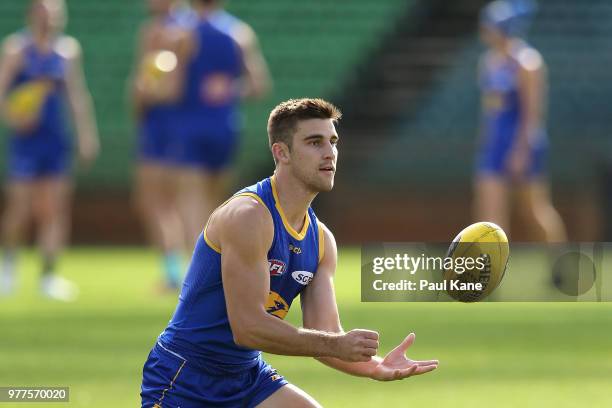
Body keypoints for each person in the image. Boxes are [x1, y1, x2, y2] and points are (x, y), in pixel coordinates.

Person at [141, 98, 438, 407]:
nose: (329, 153)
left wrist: (376, 366)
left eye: (333, 142)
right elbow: (249, 328)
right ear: (281, 152)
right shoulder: (249, 216)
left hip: (246, 376)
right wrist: (336, 343)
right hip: (187, 377)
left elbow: (326, 334)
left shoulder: (322, 240)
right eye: (314, 142)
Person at [0, 0, 99, 301]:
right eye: (46, 12)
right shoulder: (17, 49)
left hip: (56, 140)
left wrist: (86, 135)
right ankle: (7, 269)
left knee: (54, 208)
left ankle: (48, 275)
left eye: (56, 13)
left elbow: (76, 96)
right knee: (20, 207)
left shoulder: (67, 50)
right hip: (26, 141)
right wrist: (15, 116)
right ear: (33, 15)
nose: (51, 19)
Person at [172, 0, 272, 252]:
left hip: (190, 125)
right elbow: (259, 85)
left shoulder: (181, 34)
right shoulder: (240, 33)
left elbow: (173, 87)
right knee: (218, 199)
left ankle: (195, 263)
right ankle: (218, 258)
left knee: (191, 197)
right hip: (226, 126)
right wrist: (230, 88)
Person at [474, 0, 566, 242]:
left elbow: (533, 113)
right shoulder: (488, 62)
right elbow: (490, 109)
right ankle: (493, 271)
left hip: (522, 140)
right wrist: (486, 141)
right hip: (495, 142)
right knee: (489, 215)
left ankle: (559, 260)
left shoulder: (528, 63)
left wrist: (521, 150)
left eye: (490, 26)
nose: (485, 30)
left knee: (534, 211)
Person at [131, 0, 196, 290]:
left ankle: (177, 273)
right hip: (162, 124)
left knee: (164, 198)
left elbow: (169, 88)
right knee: (160, 200)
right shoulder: (164, 28)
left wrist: (142, 93)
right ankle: (177, 271)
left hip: (168, 124)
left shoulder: (173, 30)